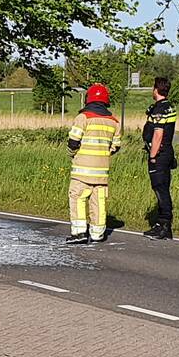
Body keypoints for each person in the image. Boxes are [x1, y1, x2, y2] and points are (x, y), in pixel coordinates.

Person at [66, 84, 122, 244]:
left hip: (82, 171)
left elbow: (73, 141)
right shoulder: (114, 122)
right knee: (99, 202)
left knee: (77, 199)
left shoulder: (83, 118)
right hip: (101, 172)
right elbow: (116, 146)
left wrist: (72, 155)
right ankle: (98, 234)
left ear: (88, 99)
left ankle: (79, 232)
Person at [143, 77, 177, 240]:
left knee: (160, 188)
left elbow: (158, 134)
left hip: (160, 154)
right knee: (163, 187)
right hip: (167, 152)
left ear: (156, 89)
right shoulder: (169, 106)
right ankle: (161, 224)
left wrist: (152, 156)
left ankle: (164, 225)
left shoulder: (159, 110)